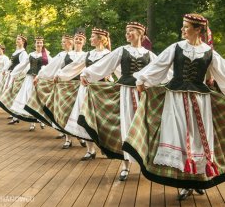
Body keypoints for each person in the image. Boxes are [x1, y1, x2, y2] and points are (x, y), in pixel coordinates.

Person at [122, 13, 225, 200]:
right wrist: (142, 79)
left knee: (199, 140)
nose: (182, 30)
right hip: (175, 99)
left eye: (186, 27)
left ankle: (198, 180)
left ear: (198, 30)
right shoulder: (176, 47)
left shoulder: (210, 53)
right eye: (183, 26)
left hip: (201, 102)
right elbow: (159, 66)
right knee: (180, 135)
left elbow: (222, 75)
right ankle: (186, 183)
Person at [80, 22, 157, 181]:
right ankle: (125, 165)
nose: (128, 34)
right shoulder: (122, 50)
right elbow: (105, 64)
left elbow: (161, 70)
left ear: (140, 34)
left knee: (144, 126)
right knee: (126, 126)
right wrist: (86, 73)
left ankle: (147, 163)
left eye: (131, 31)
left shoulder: (149, 54)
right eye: (126, 31)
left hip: (143, 94)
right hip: (126, 92)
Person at [47, 28, 111, 158]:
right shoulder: (88, 54)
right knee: (84, 118)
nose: (91, 39)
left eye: (93, 37)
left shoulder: (109, 54)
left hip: (102, 89)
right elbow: (74, 66)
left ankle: (105, 146)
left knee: (102, 121)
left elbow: (119, 70)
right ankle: (90, 150)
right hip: (86, 89)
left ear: (100, 39)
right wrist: (59, 75)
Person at [25, 33, 86, 138]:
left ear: (84, 42)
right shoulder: (65, 55)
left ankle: (80, 136)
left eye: (80, 39)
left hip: (80, 86)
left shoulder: (86, 55)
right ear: (73, 41)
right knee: (65, 111)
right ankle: (68, 139)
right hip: (65, 86)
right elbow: (51, 67)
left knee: (78, 111)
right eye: (76, 39)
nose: (78, 41)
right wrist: (39, 76)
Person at [10, 36, 51, 130]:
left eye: (40, 42)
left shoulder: (46, 56)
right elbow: (22, 65)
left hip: (40, 80)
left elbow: (51, 66)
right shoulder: (31, 54)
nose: (39, 44)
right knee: (29, 99)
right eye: (37, 42)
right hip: (29, 79)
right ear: (35, 44)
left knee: (39, 99)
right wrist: (13, 74)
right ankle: (32, 123)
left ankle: (41, 119)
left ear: (43, 43)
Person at [0, 34, 28, 124]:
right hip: (11, 75)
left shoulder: (23, 53)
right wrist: (4, 69)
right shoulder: (16, 52)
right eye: (16, 39)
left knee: (14, 95)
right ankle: (13, 115)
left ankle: (16, 116)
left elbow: (23, 66)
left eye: (19, 39)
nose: (17, 40)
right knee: (9, 94)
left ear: (23, 42)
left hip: (17, 76)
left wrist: (18, 76)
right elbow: (10, 62)